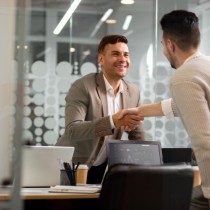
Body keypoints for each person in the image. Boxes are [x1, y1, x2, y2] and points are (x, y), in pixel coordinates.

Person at [121, 10, 210, 210]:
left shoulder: (184, 77)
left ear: (170, 45)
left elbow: (204, 140)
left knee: (171, 202)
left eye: (162, 45)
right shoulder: (205, 66)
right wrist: (138, 111)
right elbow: (179, 105)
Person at [56, 35, 145, 184]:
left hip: (100, 165)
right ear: (101, 59)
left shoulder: (133, 92)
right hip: (72, 165)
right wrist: (112, 121)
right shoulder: (83, 86)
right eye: (115, 54)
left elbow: (138, 135)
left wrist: (148, 166)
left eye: (126, 54)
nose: (122, 59)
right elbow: (72, 129)